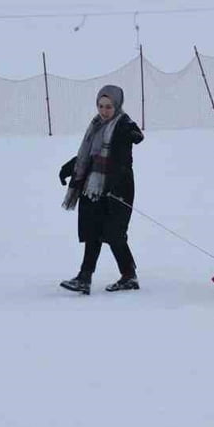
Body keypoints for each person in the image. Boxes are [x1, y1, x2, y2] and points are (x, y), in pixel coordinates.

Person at [58, 85, 145, 295]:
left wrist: (132, 134)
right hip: (94, 187)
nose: (104, 111)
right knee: (92, 232)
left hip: (118, 186)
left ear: (117, 105)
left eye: (109, 106)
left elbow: (128, 151)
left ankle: (128, 275)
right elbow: (89, 155)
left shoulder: (123, 125)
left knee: (114, 234)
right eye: (101, 106)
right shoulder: (96, 125)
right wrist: (69, 168)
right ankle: (84, 277)